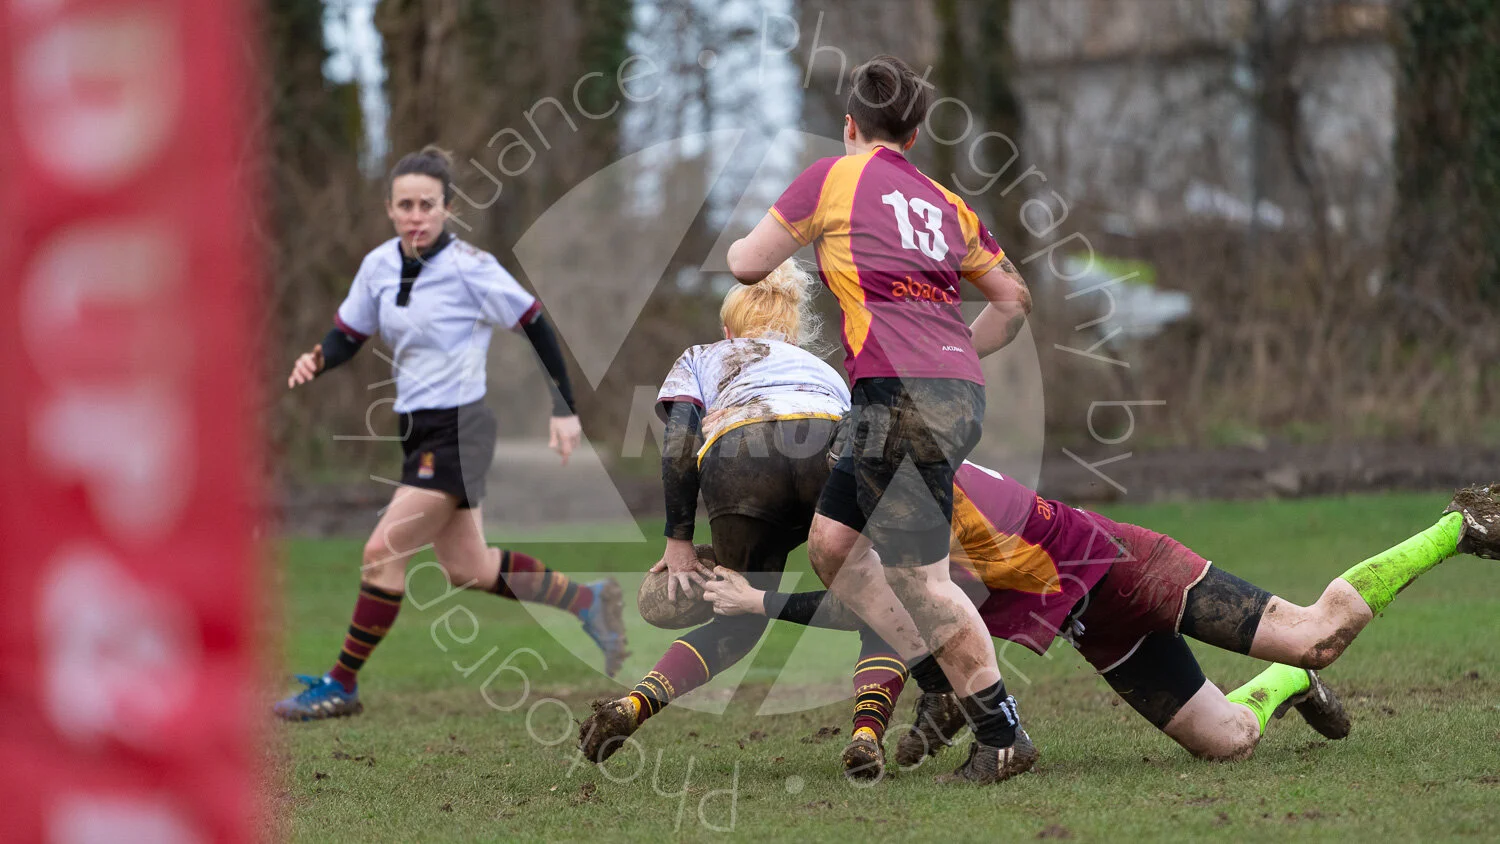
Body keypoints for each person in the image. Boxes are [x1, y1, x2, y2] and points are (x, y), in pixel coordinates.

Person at [699, 465, 1500, 777]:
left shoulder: (911, 483)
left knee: (1312, 627)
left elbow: (919, 610)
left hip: (1124, 567)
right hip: (1094, 624)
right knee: (1229, 741)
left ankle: (1456, 528)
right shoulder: (872, 492)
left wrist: (763, 603)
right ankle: (1292, 684)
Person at [725, 55, 1035, 782]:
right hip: (937, 393)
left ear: (848, 125)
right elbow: (1013, 299)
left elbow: (746, 263)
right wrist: (960, 350)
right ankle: (940, 687)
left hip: (901, 397)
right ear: (918, 130)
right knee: (832, 546)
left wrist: (761, 242)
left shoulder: (829, 179)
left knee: (922, 577)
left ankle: (1002, 731)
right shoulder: (942, 201)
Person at [274, 146, 627, 721]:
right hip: (417, 431)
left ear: (448, 208)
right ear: (389, 208)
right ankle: (588, 601)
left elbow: (535, 321)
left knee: (381, 551)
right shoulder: (378, 266)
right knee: (469, 569)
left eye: (428, 205)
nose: (416, 215)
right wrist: (319, 356)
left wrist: (564, 408)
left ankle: (341, 684)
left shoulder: (471, 267)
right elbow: (348, 333)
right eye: (405, 205)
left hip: (460, 429)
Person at [576, 259, 851, 763]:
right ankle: (868, 736)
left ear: (728, 330)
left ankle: (636, 704)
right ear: (794, 333)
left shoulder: (704, 356)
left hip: (740, 455)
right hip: (824, 444)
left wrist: (678, 539)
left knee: (738, 613)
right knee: (877, 599)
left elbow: (680, 442)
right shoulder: (824, 370)